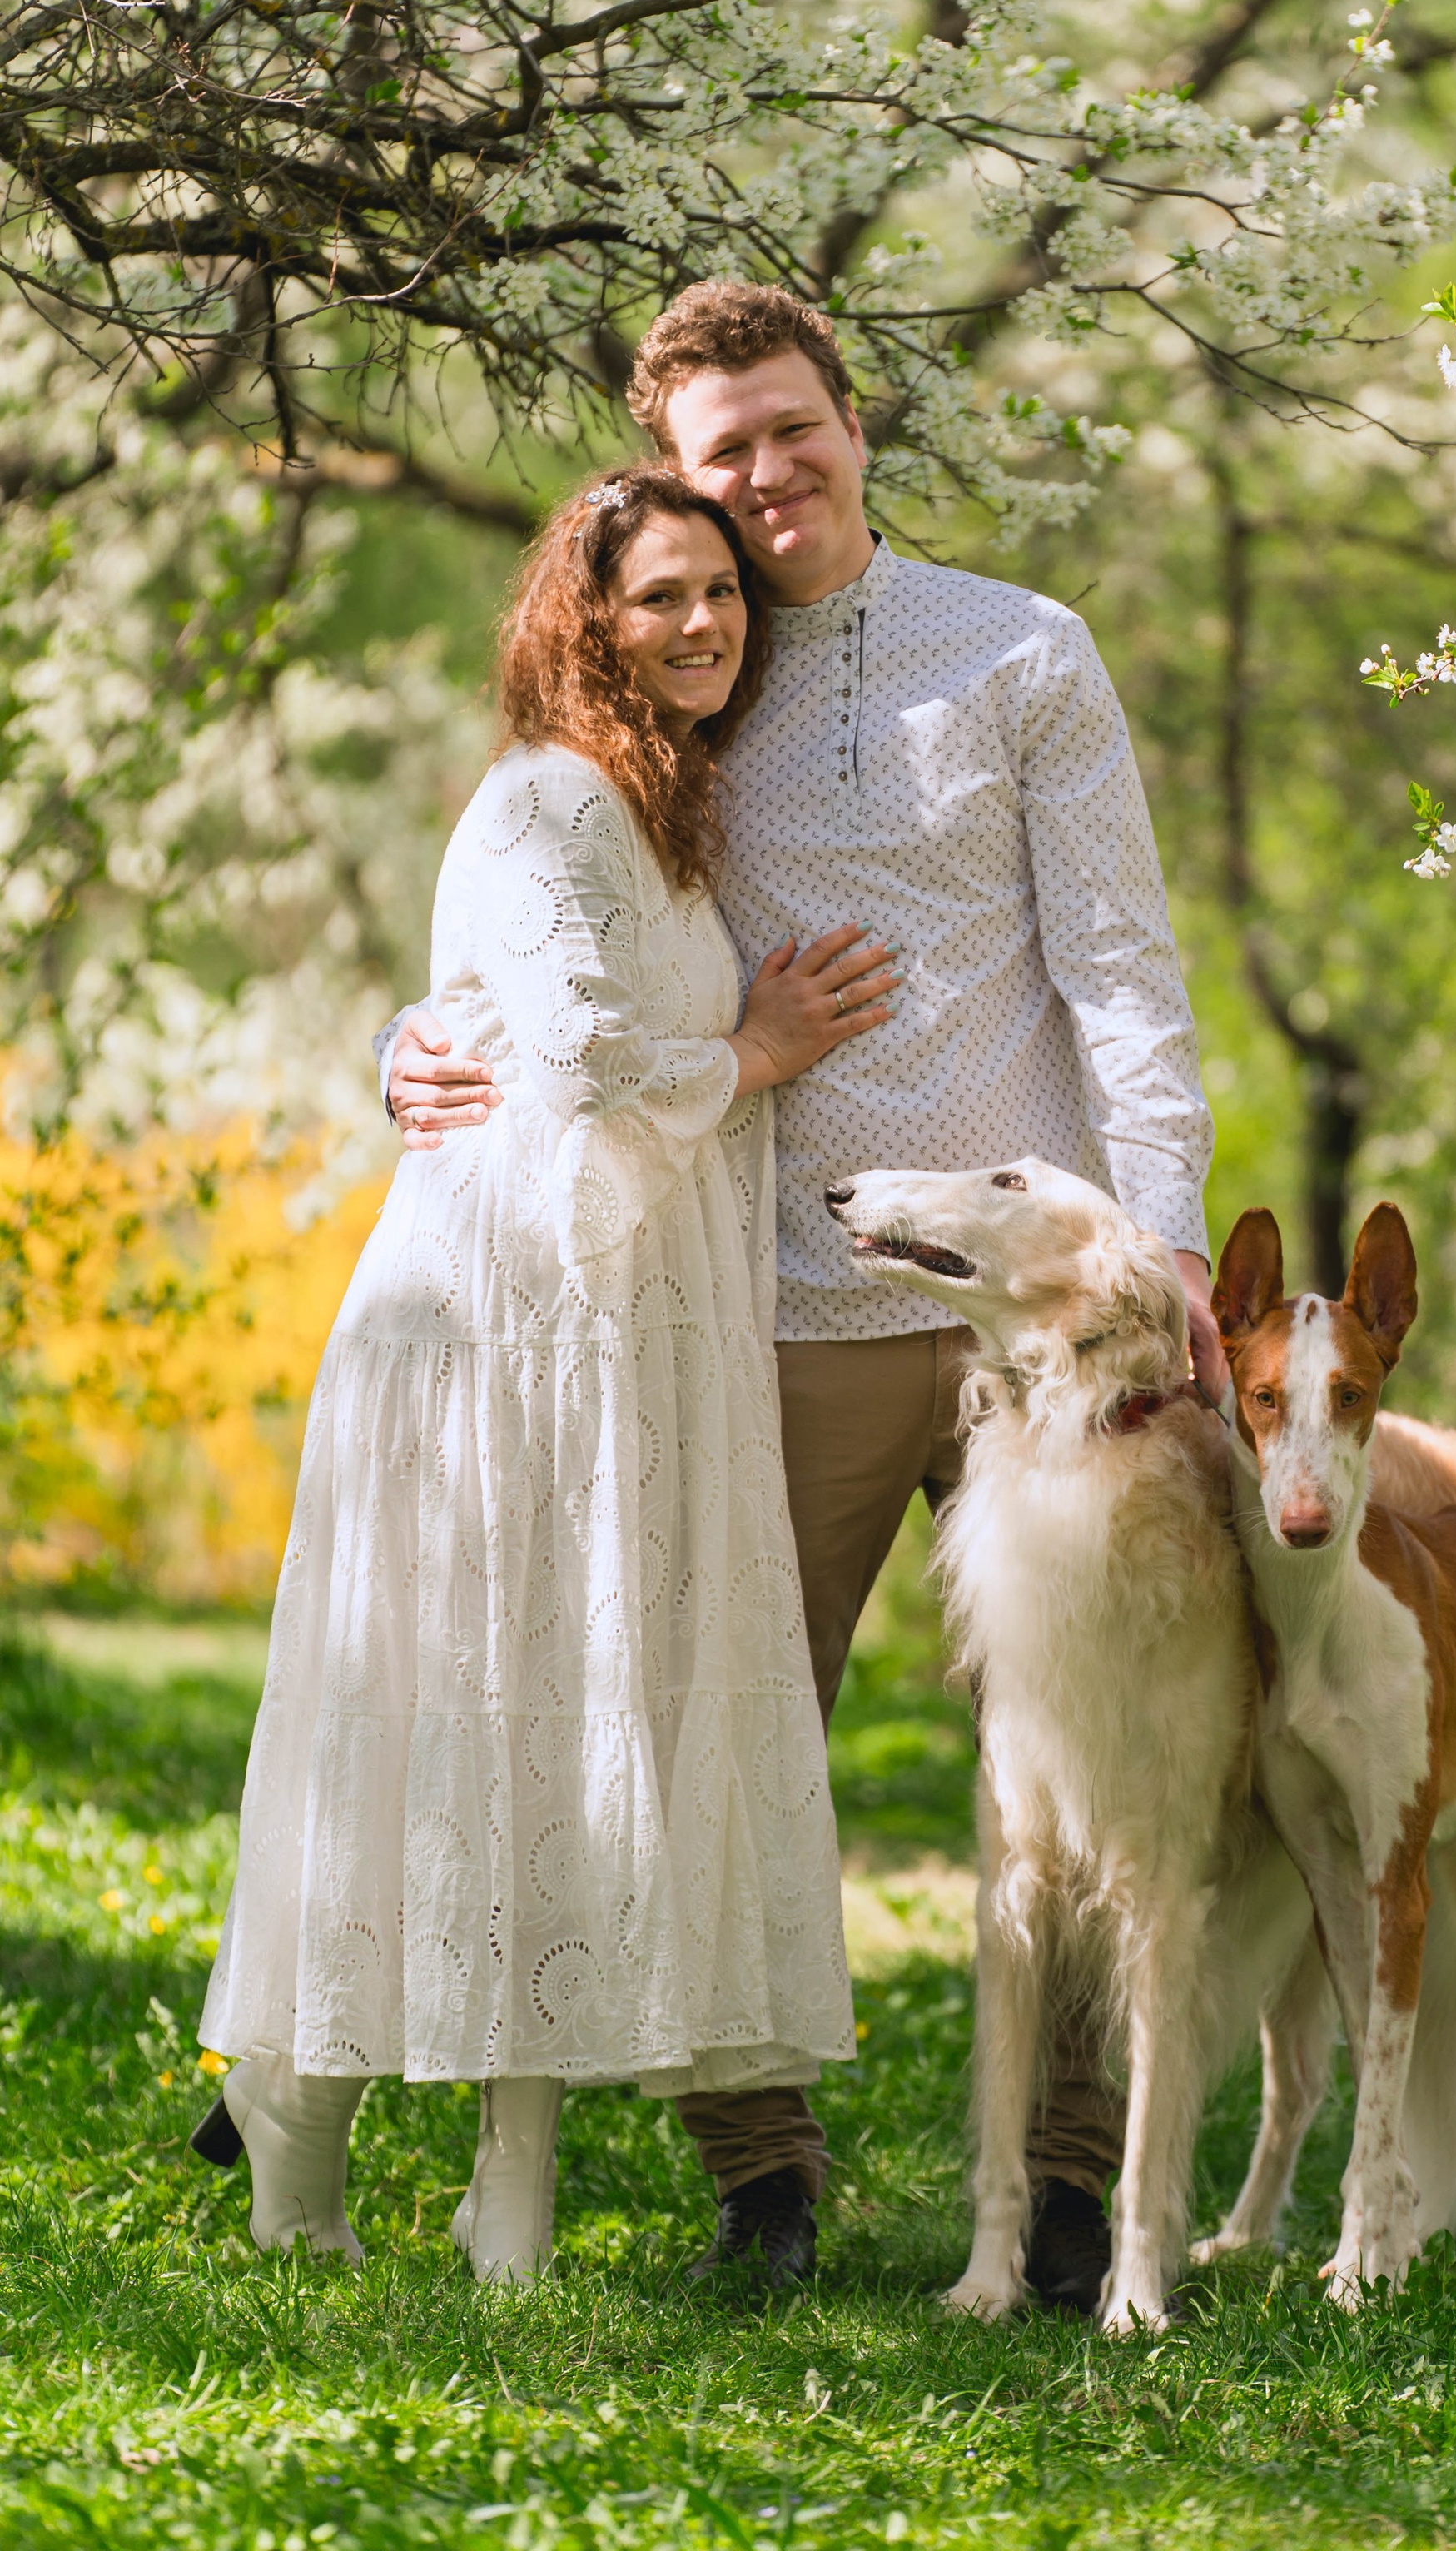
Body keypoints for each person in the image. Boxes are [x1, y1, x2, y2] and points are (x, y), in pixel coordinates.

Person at [385, 281, 1222, 2310]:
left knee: (1096, 1757)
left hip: (1040, 1325)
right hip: (765, 1296)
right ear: (669, 485)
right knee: (715, 1737)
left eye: (788, 430)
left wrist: (1170, 1234)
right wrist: (410, 1041)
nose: (762, 480)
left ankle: (1073, 2181)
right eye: (717, 455)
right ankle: (759, 2166)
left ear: (853, 421)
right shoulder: (678, 667)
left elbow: (1115, 962)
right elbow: (536, 904)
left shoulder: (1021, 651)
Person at [196, 469, 899, 2279]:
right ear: (586, 620)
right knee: (450, 1719)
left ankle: (509, 2190)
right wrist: (753, 1047)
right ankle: (296, 2138)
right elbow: (578, 1071)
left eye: (721, 596)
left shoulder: (663, 810)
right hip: (494, 1333)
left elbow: (507, 1030)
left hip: (615, 1341)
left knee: (566, 1737)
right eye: (661, 596)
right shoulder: (543, 804)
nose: (702, 623)